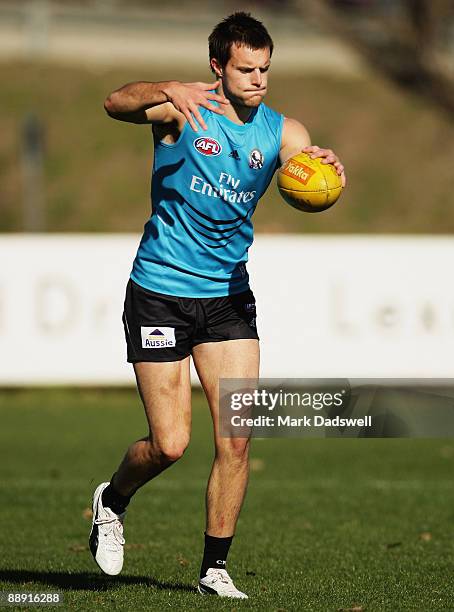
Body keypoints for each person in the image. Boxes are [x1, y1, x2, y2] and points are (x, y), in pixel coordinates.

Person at [88, 11, 346, 599]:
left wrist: (323, 170)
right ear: (218, 67)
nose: (258, 80)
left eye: (265, 69)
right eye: (246, 69)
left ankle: (213, 569)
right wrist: (163, 90)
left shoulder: (282, 131)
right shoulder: (182, 109)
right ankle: (114, 498)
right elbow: (113, 102)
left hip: (228, 297)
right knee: (170, 444)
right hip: (159, 291)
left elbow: (304, 172)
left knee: (237, 435)